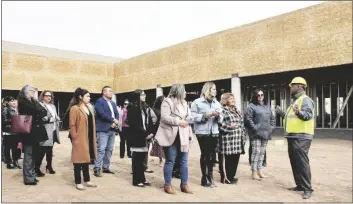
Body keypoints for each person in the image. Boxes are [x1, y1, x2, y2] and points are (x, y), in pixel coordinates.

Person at [276, 77, 315, 199]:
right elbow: (290, 118)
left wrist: (299, 113)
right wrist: (282, 113)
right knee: (295, 162)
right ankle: (300, 185)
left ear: (299, 86)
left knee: (302, 163)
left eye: (292, 86)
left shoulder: (306, 100)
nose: (290, 88)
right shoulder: (295, 101)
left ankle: (307, 188)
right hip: (292, 136)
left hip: (302, 136)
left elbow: (307, 115)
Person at [155, 84, 194, 194]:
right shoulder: (167, 101)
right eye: (184, 91)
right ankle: (167, 185)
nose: (186, 93)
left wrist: (190, 119)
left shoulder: (185, 103)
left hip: (184, 135)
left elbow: (188, 116)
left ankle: (184, 184)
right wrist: (178, 121)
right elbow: (165, 117)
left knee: (184, 161)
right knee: (170, 161)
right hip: (171, 135)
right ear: (179, 91)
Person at [191, 82, 222, 188]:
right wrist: (204, 116)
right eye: (213, 89)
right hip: (202, 132)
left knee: (212, 155)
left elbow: (222, 118)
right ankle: (204, 178)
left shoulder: (217, 103)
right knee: (205, 154)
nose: (215, 91)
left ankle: (210, 176)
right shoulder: (197, 102)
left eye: (215, 89)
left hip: (214, 132)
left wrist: (218, 116)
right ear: (207, 90)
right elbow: (192, 117)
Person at [17, 85, 48, 185]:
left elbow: (44, 111)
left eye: (34, 90)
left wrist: (39, 110)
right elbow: (37, 110)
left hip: (35, 132)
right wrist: (39, 110)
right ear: (25, 92)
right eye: (31, 90)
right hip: (28, 133)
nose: (33, 92)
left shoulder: (33, 101)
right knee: (28, 156)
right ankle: (28, 179)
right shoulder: (23, 102)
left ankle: (32, 176)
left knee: (33, 155)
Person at [69, 88, 97, 190]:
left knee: (86, 159)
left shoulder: (88, 108)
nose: (90, 98)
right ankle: (78, 182)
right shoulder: (75, 108)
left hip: (88, 137)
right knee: (78, 161)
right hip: (80, 138)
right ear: (80, 97)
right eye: (87, 96)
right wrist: (75, 138)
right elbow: (72, 125)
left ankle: (87, 180)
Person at [127, 89, 157, 187]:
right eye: (142, 95)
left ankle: (142, 179)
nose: (145, 96)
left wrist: (150, 133)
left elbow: (148, 122)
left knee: (142, 159)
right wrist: (145, 134)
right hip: (136, 136)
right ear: (137, 96)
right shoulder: (132, 107)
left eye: (144, 94)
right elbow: (134, 124)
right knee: (137, 159)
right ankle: (136, 180)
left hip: (145, 136)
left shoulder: (145, 107)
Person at [245, 89, 275, 180]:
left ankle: (260, 170)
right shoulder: (251, 106)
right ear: (255, 96)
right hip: (256, 133)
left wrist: (271, 128)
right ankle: (253, 172)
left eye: (262, 95)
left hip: (266, 132)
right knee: (256, 152)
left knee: (262, 152)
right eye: (258, 95)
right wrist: (255, 128)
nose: (260, 96)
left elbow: (272, 118)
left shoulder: (267, 107)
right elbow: (248, 119)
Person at [218, 93, 246, 184]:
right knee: (227, 160)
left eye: (233, 98)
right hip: (227, 141)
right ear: (225, 100)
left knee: (235, 159)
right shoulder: (222, 111)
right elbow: (219, 125)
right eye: (230, 99)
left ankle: (231, 176)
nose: (233, 100)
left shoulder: (236, 111)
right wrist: (230, 126)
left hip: (237, 141)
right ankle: (225, 178)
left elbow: (241, 124)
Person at [93, 86, 119, 177]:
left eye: (112, 91)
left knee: (109, 149)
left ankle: (106, 167)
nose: (111, 92)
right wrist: (112, 120)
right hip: (103, 129)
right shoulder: (99, 102)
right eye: (110, 91)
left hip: (112, 129)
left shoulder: (113, 103)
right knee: (101, 149)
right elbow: (102, 114)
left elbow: (116, 114)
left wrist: (115, 122)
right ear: (104, 92)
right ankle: (97, 168)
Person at [35, 91, 61, 176]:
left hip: (53, 130)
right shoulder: (39, 105)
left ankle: (49, 166)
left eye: (50, 96)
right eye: (47, 96)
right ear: (42, 96)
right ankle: (37, 168)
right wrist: (50, 119)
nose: (49, 97)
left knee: (50, 150)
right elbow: (40, 118)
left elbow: (55, 116)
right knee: (41, 150)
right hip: (44, 130)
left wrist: (57, 118)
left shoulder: (53, 106)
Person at [2, 96, 22, 169]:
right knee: (7, 148)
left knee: (16, 148)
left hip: (16, 132)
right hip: (8, 132)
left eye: (14, 101)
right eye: (11, 101)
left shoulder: (17, 110)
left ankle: (15, 161)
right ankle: (8, 163)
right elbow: (4, 120)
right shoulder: (6, 109)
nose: (14, 102)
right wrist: (15, 120)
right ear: (8, 102)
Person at [150, 96, 166, 166]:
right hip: (157, 130)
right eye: (162, 100)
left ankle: (164, 159)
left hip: (165, 129)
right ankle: (161, 160)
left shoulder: (165, 109)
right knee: (159, 145)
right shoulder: (154, 109)